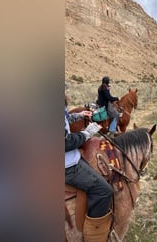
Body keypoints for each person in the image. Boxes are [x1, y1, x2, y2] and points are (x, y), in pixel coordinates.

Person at [65, 95, 113, 241]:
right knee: (104, 191)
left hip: (71, 157)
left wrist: (78, 115)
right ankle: (94, 237)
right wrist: (86, 133)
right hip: (66, 165)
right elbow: (64, 143)